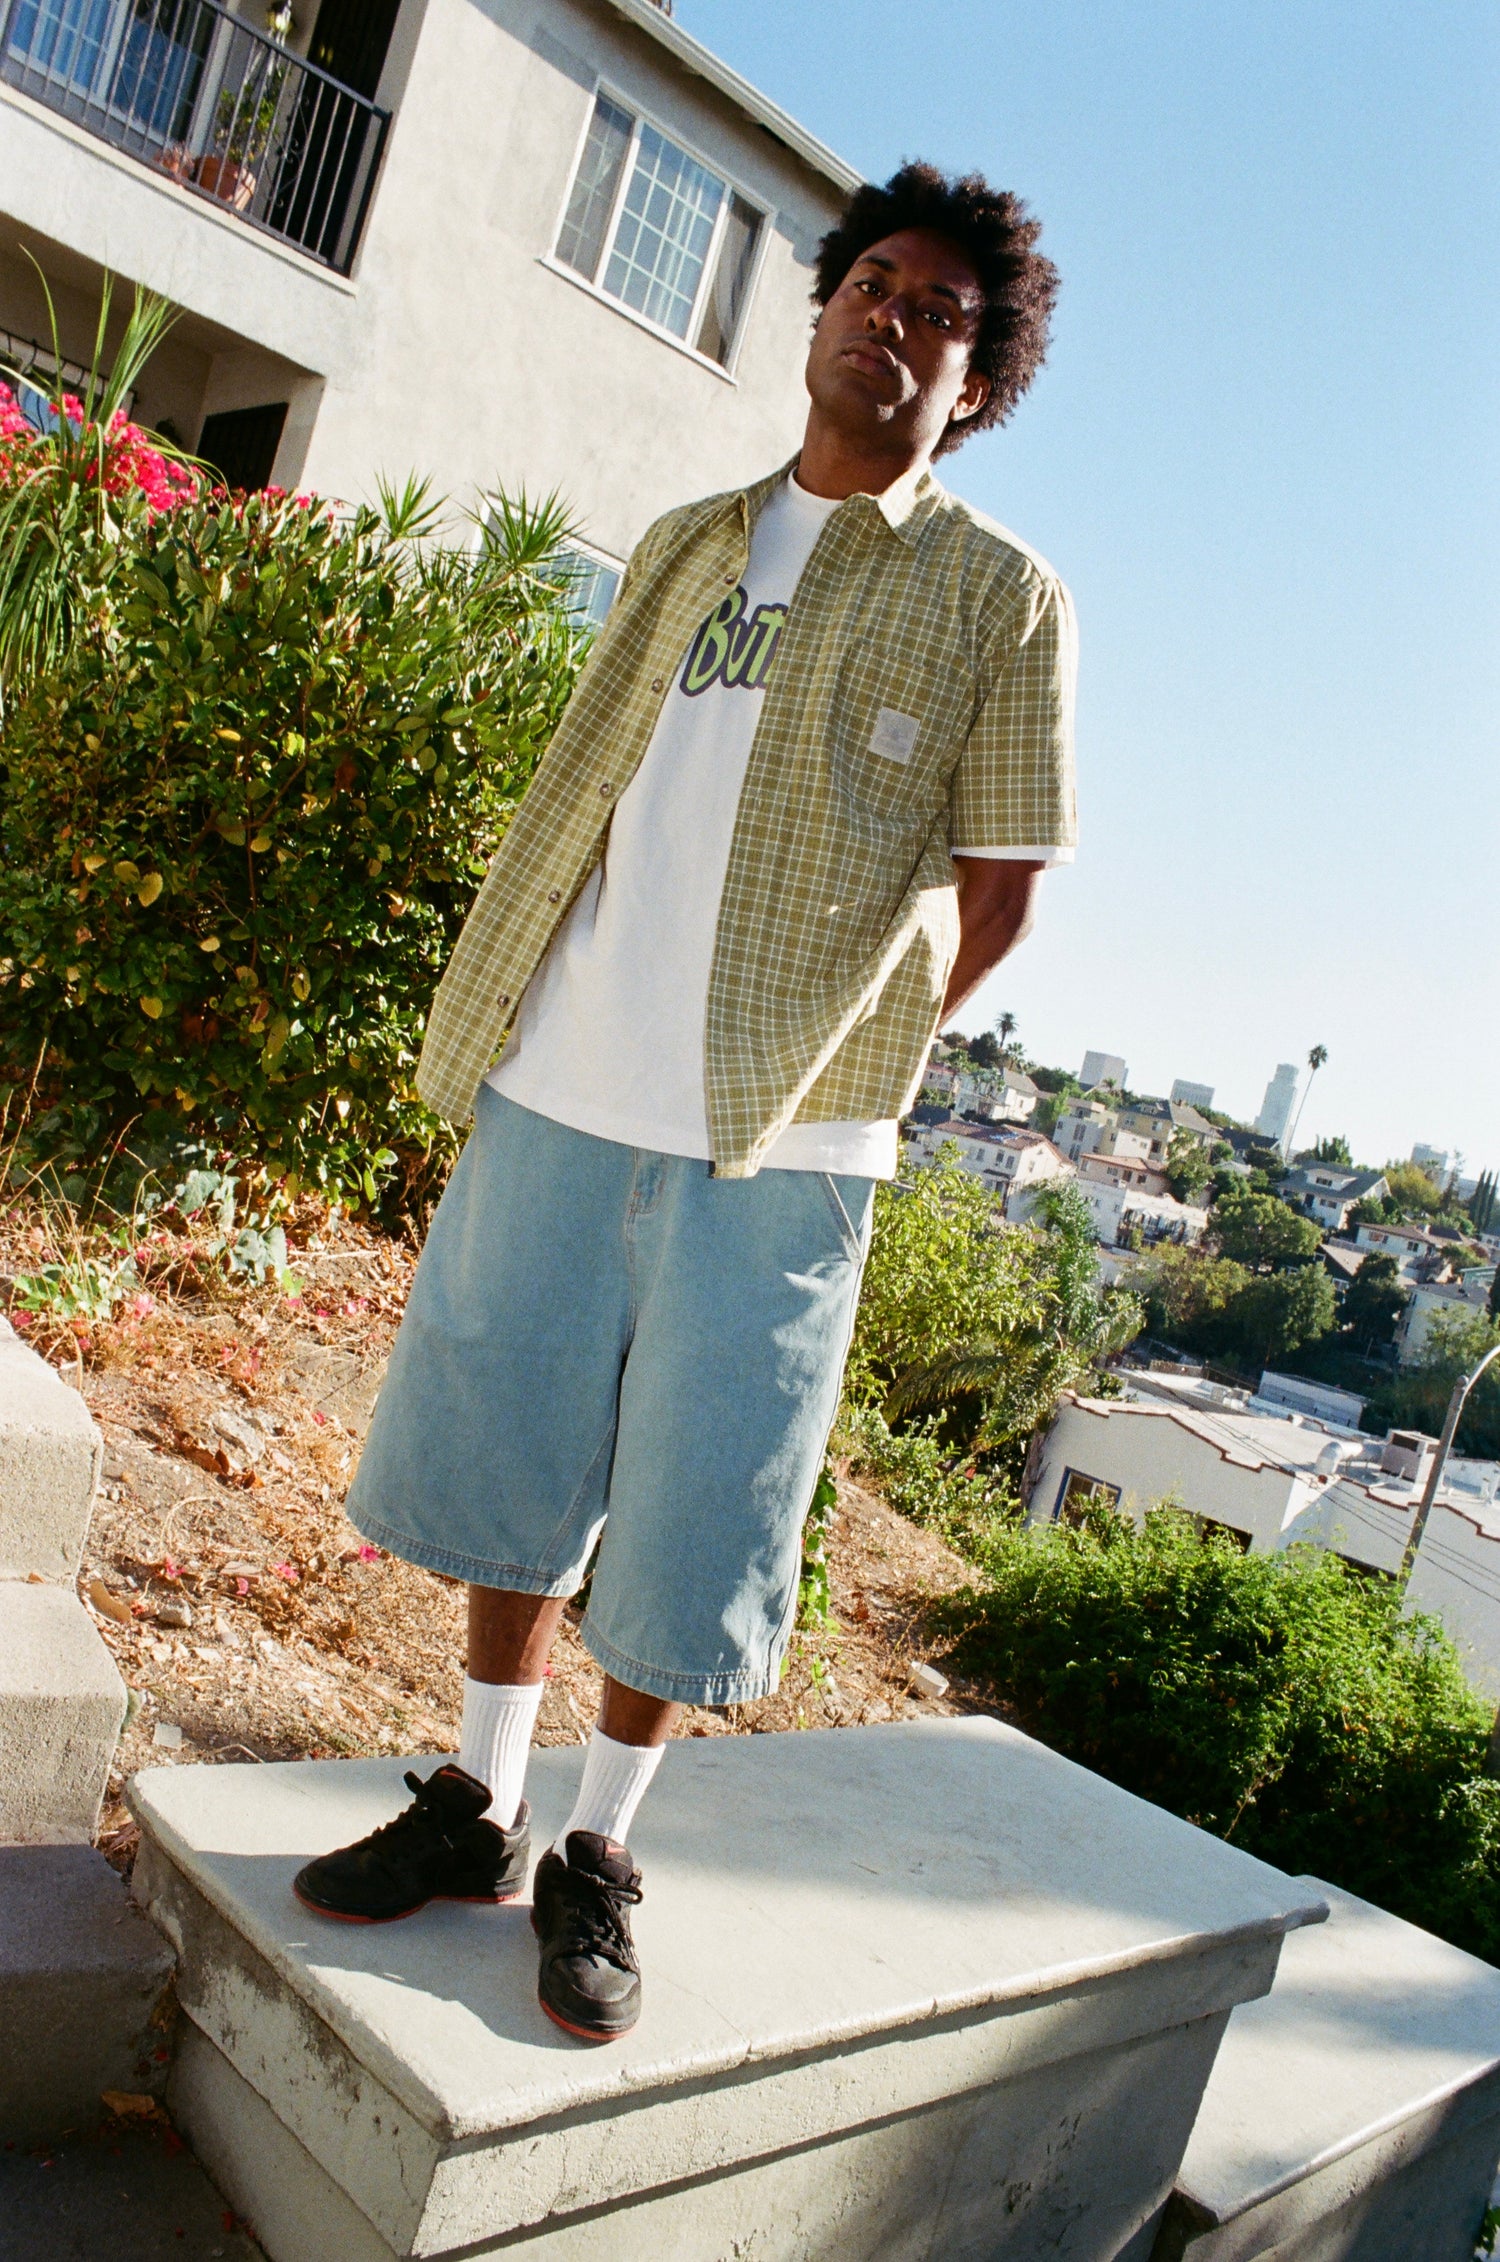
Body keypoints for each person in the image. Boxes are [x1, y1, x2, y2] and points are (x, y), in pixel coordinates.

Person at [293, 162, 1076, 2042]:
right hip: (570, 1070)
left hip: (782, 1139)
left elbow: (1007, 878)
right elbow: (582, 787)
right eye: (869, 282)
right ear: (819, 316)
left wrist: (853, 1052)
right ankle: (479, 1800)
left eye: (938, 310)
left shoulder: (1001, 598)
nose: (892, 316)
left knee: (696, 1495)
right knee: (512, 1441)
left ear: (974, 380)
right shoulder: (686, 543)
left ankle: (599, 1850)